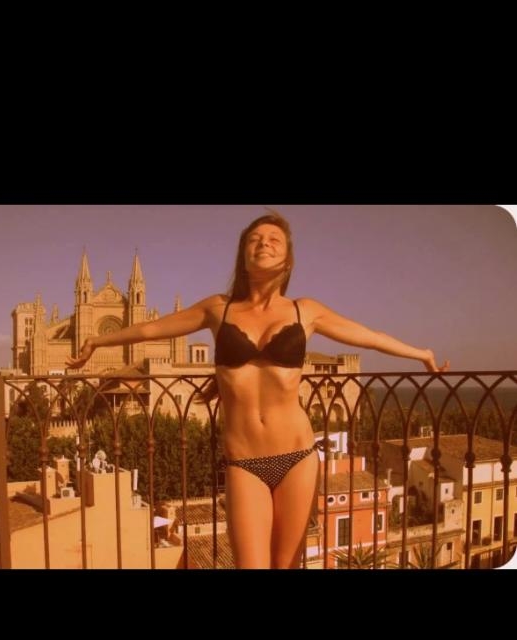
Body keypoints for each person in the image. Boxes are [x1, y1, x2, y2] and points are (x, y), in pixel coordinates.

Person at [65, 211, 449, 569]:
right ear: (243, 256)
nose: (263, 243)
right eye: (254, 239)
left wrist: (422, 354)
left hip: (298, 457)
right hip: (244, 463)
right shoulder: (218, 308)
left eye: (273, 239)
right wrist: (97, 342)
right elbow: (152, 328)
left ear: (288, 260)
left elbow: (370, 336)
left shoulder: (304, 310)